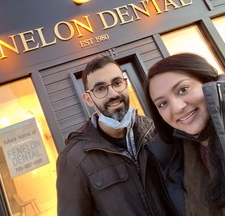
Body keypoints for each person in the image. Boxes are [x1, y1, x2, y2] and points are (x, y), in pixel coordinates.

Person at [56, 56, 179, 216]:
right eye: (100, 89)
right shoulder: (73, 159)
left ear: (125, 84)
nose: (113, 94)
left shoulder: (154, 131)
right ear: (88, 99)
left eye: (117, 83)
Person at [144, 53, 225, 215]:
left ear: (208, 81)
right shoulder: (179, 155)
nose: (176, 108)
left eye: (183, 89)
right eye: (162, 103)